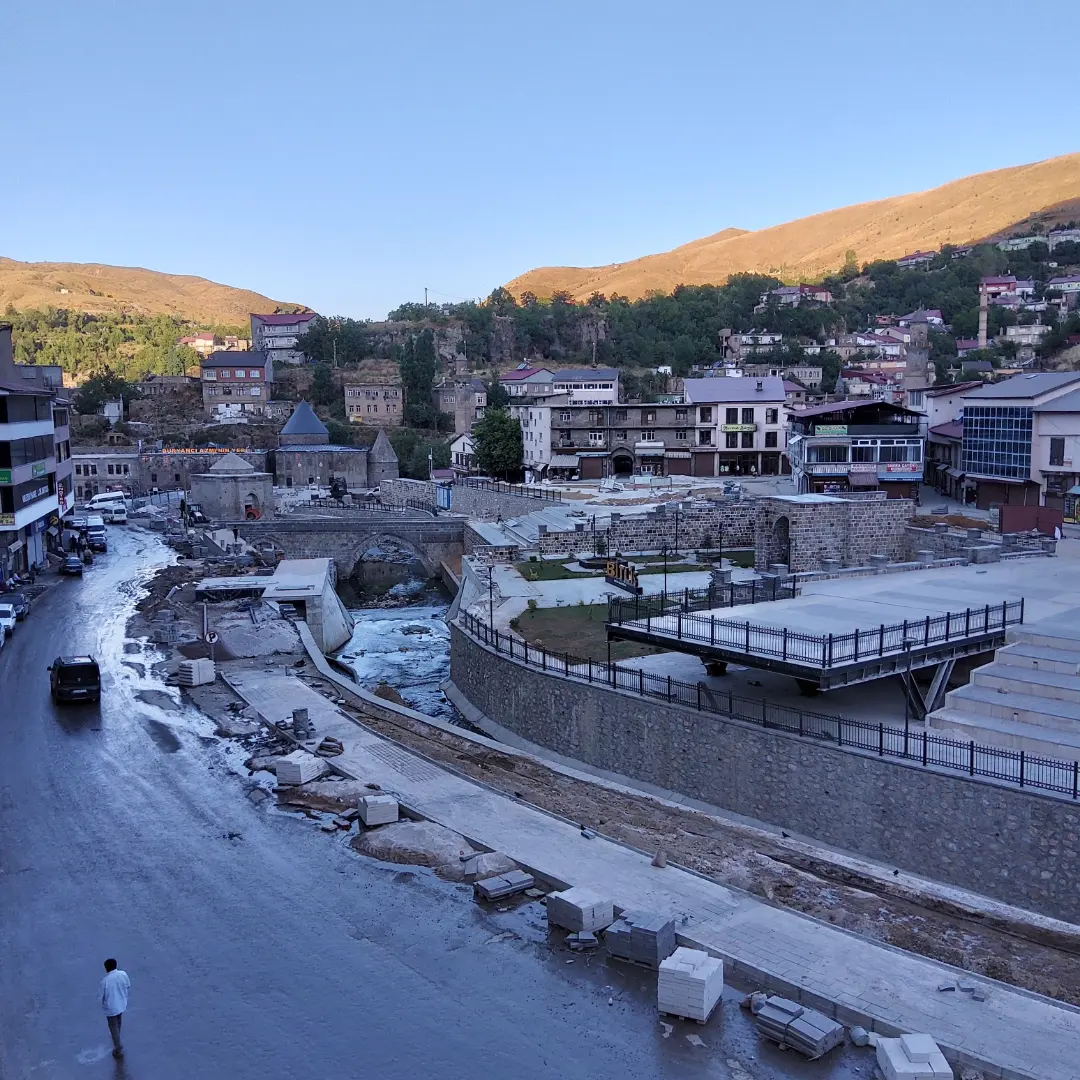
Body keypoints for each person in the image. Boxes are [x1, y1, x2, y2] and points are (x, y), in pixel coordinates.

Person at [100, 958, 130, 1058]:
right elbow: (128, 985)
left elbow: (100, 997)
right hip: (121, 1004)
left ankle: (118, 1048)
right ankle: (118, 1039)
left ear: (106, 968)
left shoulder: (105, 981)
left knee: (113, 1027)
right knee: (118, 1023)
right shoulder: (123, 974)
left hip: (111, 1008)